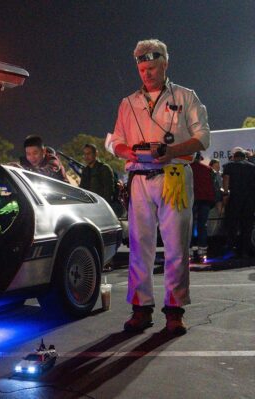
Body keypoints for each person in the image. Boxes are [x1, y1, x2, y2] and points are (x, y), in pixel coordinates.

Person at [106, 39, 210, 335]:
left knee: (177, 245)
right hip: (139, 177)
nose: (146, 73)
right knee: (140, 246)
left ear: (165, 63)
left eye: (151, 67)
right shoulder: (128, 103)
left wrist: (172, 151)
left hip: (174, 175)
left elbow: (203, 138)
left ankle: (175, 311)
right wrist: (127, 152)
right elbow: (116, 141)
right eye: (141, 68)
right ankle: (141, 308)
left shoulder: (186, 96)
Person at [222, 147, 255, 258]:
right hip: (249, 200)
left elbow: (226, 179)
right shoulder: (252, 167)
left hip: (235, 199)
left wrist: (225, 194)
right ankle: (245, 250)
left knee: (232, 225)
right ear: (244, 157)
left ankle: (232, 249)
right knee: (247, 225)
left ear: (234, 157)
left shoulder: (229, 166)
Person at [189, 153, 216, 260]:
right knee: (202, 225)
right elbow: (213, 186)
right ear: (200, 158)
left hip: (191, 199)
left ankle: (189, 251)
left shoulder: (187, 168)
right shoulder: (208, 169)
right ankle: (202, 251)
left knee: (189, 226)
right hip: (205, 200)